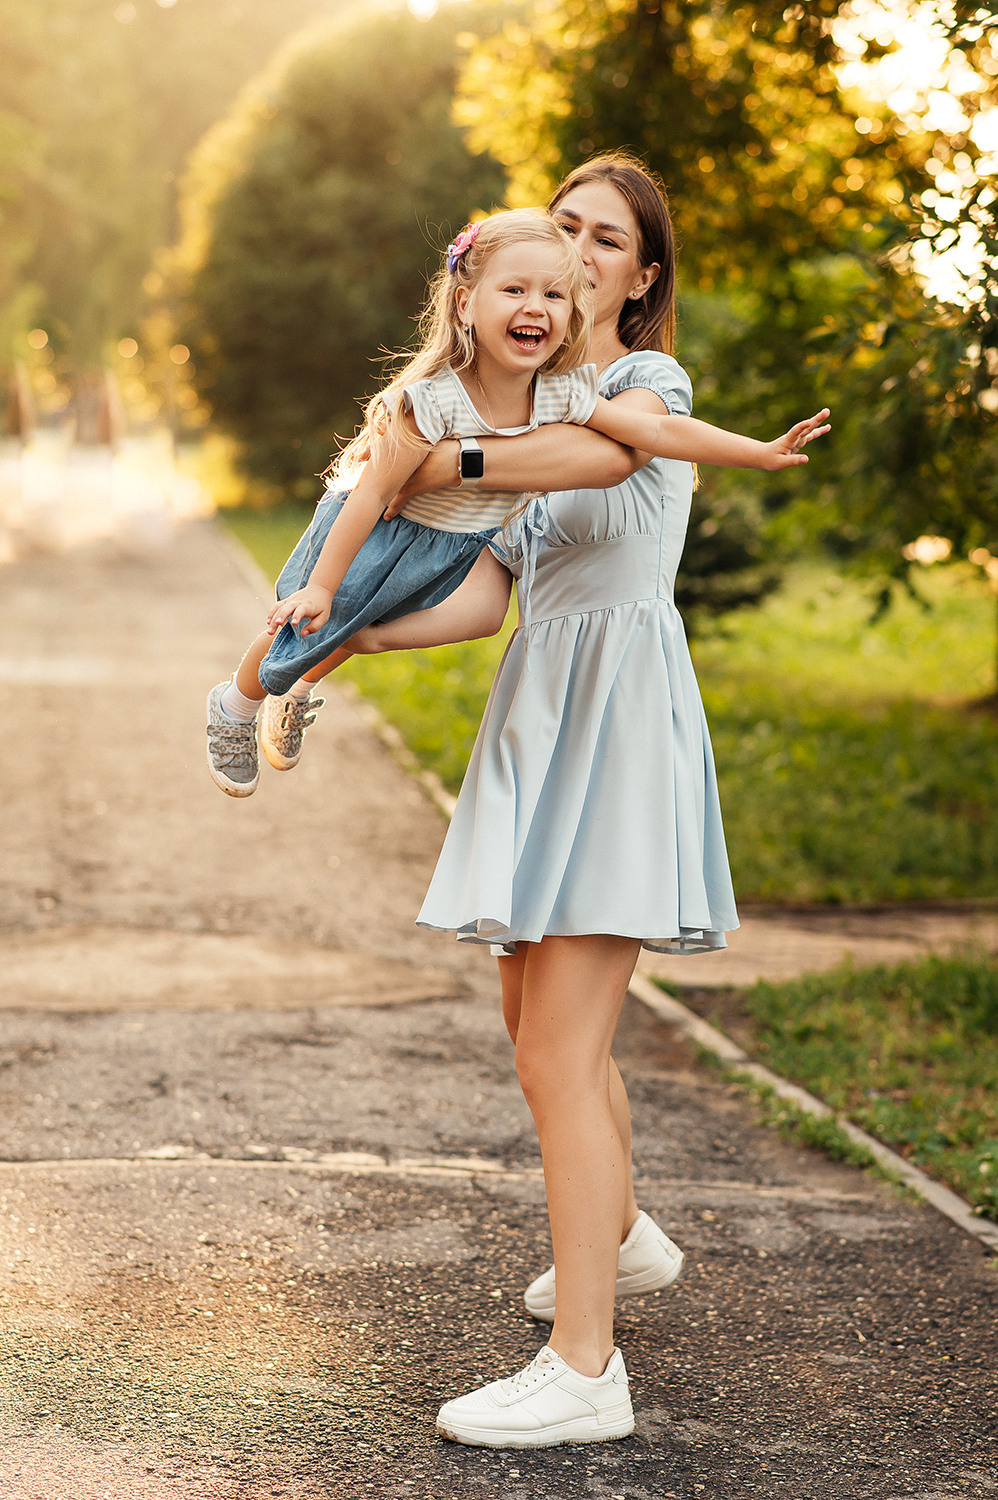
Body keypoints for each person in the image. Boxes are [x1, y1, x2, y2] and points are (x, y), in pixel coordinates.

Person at [351, 154, 829, 1449]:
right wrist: (350, 641)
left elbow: (550, 462)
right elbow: (481, 593)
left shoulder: (637, 388)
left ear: (637, 276)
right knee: (533, 1023)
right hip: (540, 715)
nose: (573, 252)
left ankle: (585, 1370)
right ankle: (613, 1236)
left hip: (615, 715)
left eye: (602, 239)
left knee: (561, 1046)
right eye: (556, 228)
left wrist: (429, 449)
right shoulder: (543, 401)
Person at [205, 208, 827, 798]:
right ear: (466, 303)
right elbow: (370, 498)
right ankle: (236, 704)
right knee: (310, 620)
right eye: (516, 292)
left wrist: (759, 451)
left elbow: (658, 434)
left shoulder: (560, 393)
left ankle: (353, 641)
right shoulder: (431, 403)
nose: (536, 307)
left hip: (456, 542)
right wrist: (319, 586)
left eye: (555, 296)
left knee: (474, 617)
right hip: (379, 529)